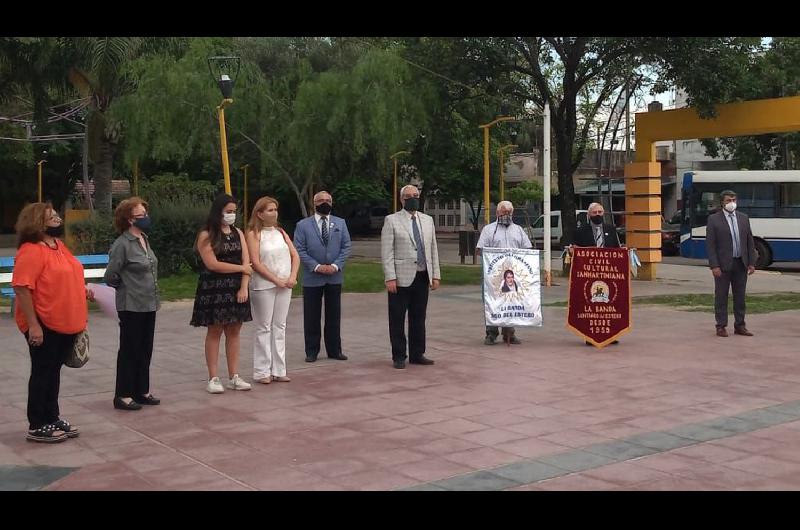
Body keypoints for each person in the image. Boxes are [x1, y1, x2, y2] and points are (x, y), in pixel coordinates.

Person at [12, 203, 93, 443]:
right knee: (42, 372)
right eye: (51, 217)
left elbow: (66, 274)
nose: (58, 219)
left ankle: (52, 416)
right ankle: (37, 424)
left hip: (64, 321)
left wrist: (81, 289)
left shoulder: (58, 246)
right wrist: (34, 326)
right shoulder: (31, 250)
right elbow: (22, 288)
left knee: (53, 372)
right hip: (43, 322)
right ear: (37, 222)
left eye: (57, 215)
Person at [190, 194, 253, 393]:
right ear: (218, 212)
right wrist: (240, 269)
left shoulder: (238, 233)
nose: (232, 215)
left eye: (234, 212)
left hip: (236, 288)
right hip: (214, 288)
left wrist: (244, 286)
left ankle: (234, 376)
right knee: (215, 331)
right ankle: (213, 377)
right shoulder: (206, 235)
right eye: (228, 211)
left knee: (234, 331)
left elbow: (247, 264)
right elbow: (213, 264)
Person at [104, 197, 160, 411]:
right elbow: (111, 275)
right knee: (129, 349)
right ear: (129, 219)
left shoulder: (144, 239)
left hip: (149, 302)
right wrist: (125, 286)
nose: (145, 218)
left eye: (145, 214)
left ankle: (141, 390)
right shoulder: (122, 244)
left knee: (145, 347)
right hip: (131, 304)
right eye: (140, 215)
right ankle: (124, 394)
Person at [381, 184, 441, 369]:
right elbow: (387, 251)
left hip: (423, 276)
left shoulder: (427, 220)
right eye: (408, 196)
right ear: (401, 199)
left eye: (416, 195)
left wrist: (436, 275)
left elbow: (433, 248)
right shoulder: (391, 220)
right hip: (400, 278)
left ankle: (417, 353)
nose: (412, 198)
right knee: (397, 318)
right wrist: (390, 277)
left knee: (418, 317)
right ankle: (399, 356)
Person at [245, 196, 299, 384]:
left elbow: (295, 255)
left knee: (280, 326)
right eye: (269, 210)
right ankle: (262, 371)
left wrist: (292, 276)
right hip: (263, 285)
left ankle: (279, 369)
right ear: (259, 214)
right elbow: (256, 262)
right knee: (264, 327)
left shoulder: (281, 232)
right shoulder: (253, 233)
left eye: (275, 209)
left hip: (285, 284)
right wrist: (276, 279)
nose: (274, 213)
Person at [293, 191, 352, 363]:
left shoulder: (340, 223)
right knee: (311, 316)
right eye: (321, 200)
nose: (325, 203)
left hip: (334, 276)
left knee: (334, 315)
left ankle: (335, 350)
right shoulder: (303, 225)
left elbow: (346, 246)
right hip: (312, 277)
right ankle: (312, 351)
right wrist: (316, 266)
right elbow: (299, 249)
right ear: (314, 203)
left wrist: (335, 266)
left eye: (328, 200)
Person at [476, 200, 532, 345]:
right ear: (497, 213)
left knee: (510, 302)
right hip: (493, 276)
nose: (506, 214)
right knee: (492, 303)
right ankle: (491, 333)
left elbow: (527, 249)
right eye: (503, 212)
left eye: (508, 212)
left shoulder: (519, 230)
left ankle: (509, 334)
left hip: (512, 275)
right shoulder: (489, 230)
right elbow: (480, 250)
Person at [705, 189, 757, 337]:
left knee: (740, 296)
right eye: (728, 200)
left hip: (741, 263)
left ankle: (740, 325)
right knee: (721, 296)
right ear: (722, 202)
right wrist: (714, 265)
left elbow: (749, 241)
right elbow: (711, 244)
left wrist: (751, 262)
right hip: (722, 265)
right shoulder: (714, 219)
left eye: (734, 200)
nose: (731, 203)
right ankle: (721, 326)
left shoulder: (743, 218)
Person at [569, 202, 621, 345]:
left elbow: (617, 249)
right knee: (590, 304)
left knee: (609, 304)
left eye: (600, 212)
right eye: (594, 212)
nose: (598, 215)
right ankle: (589, 334)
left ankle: (611, 333)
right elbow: (574, 249)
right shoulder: (580, 231)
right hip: (588, 274)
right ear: (589, 215)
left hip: (608, 274)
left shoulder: (611, 229)